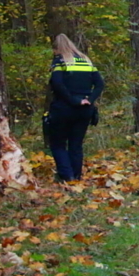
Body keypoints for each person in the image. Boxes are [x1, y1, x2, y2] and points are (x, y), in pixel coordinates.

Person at [46, 33, 104, 181]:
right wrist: (89, 100)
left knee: (58, 144)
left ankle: (66, 176)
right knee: (76, 144)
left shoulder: (60, 61)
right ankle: (77, 176)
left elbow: (57, 84)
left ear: (56, 48)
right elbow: (99, 84)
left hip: (63, 108)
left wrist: (73, 100)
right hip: (85, 110)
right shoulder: (86, 60)